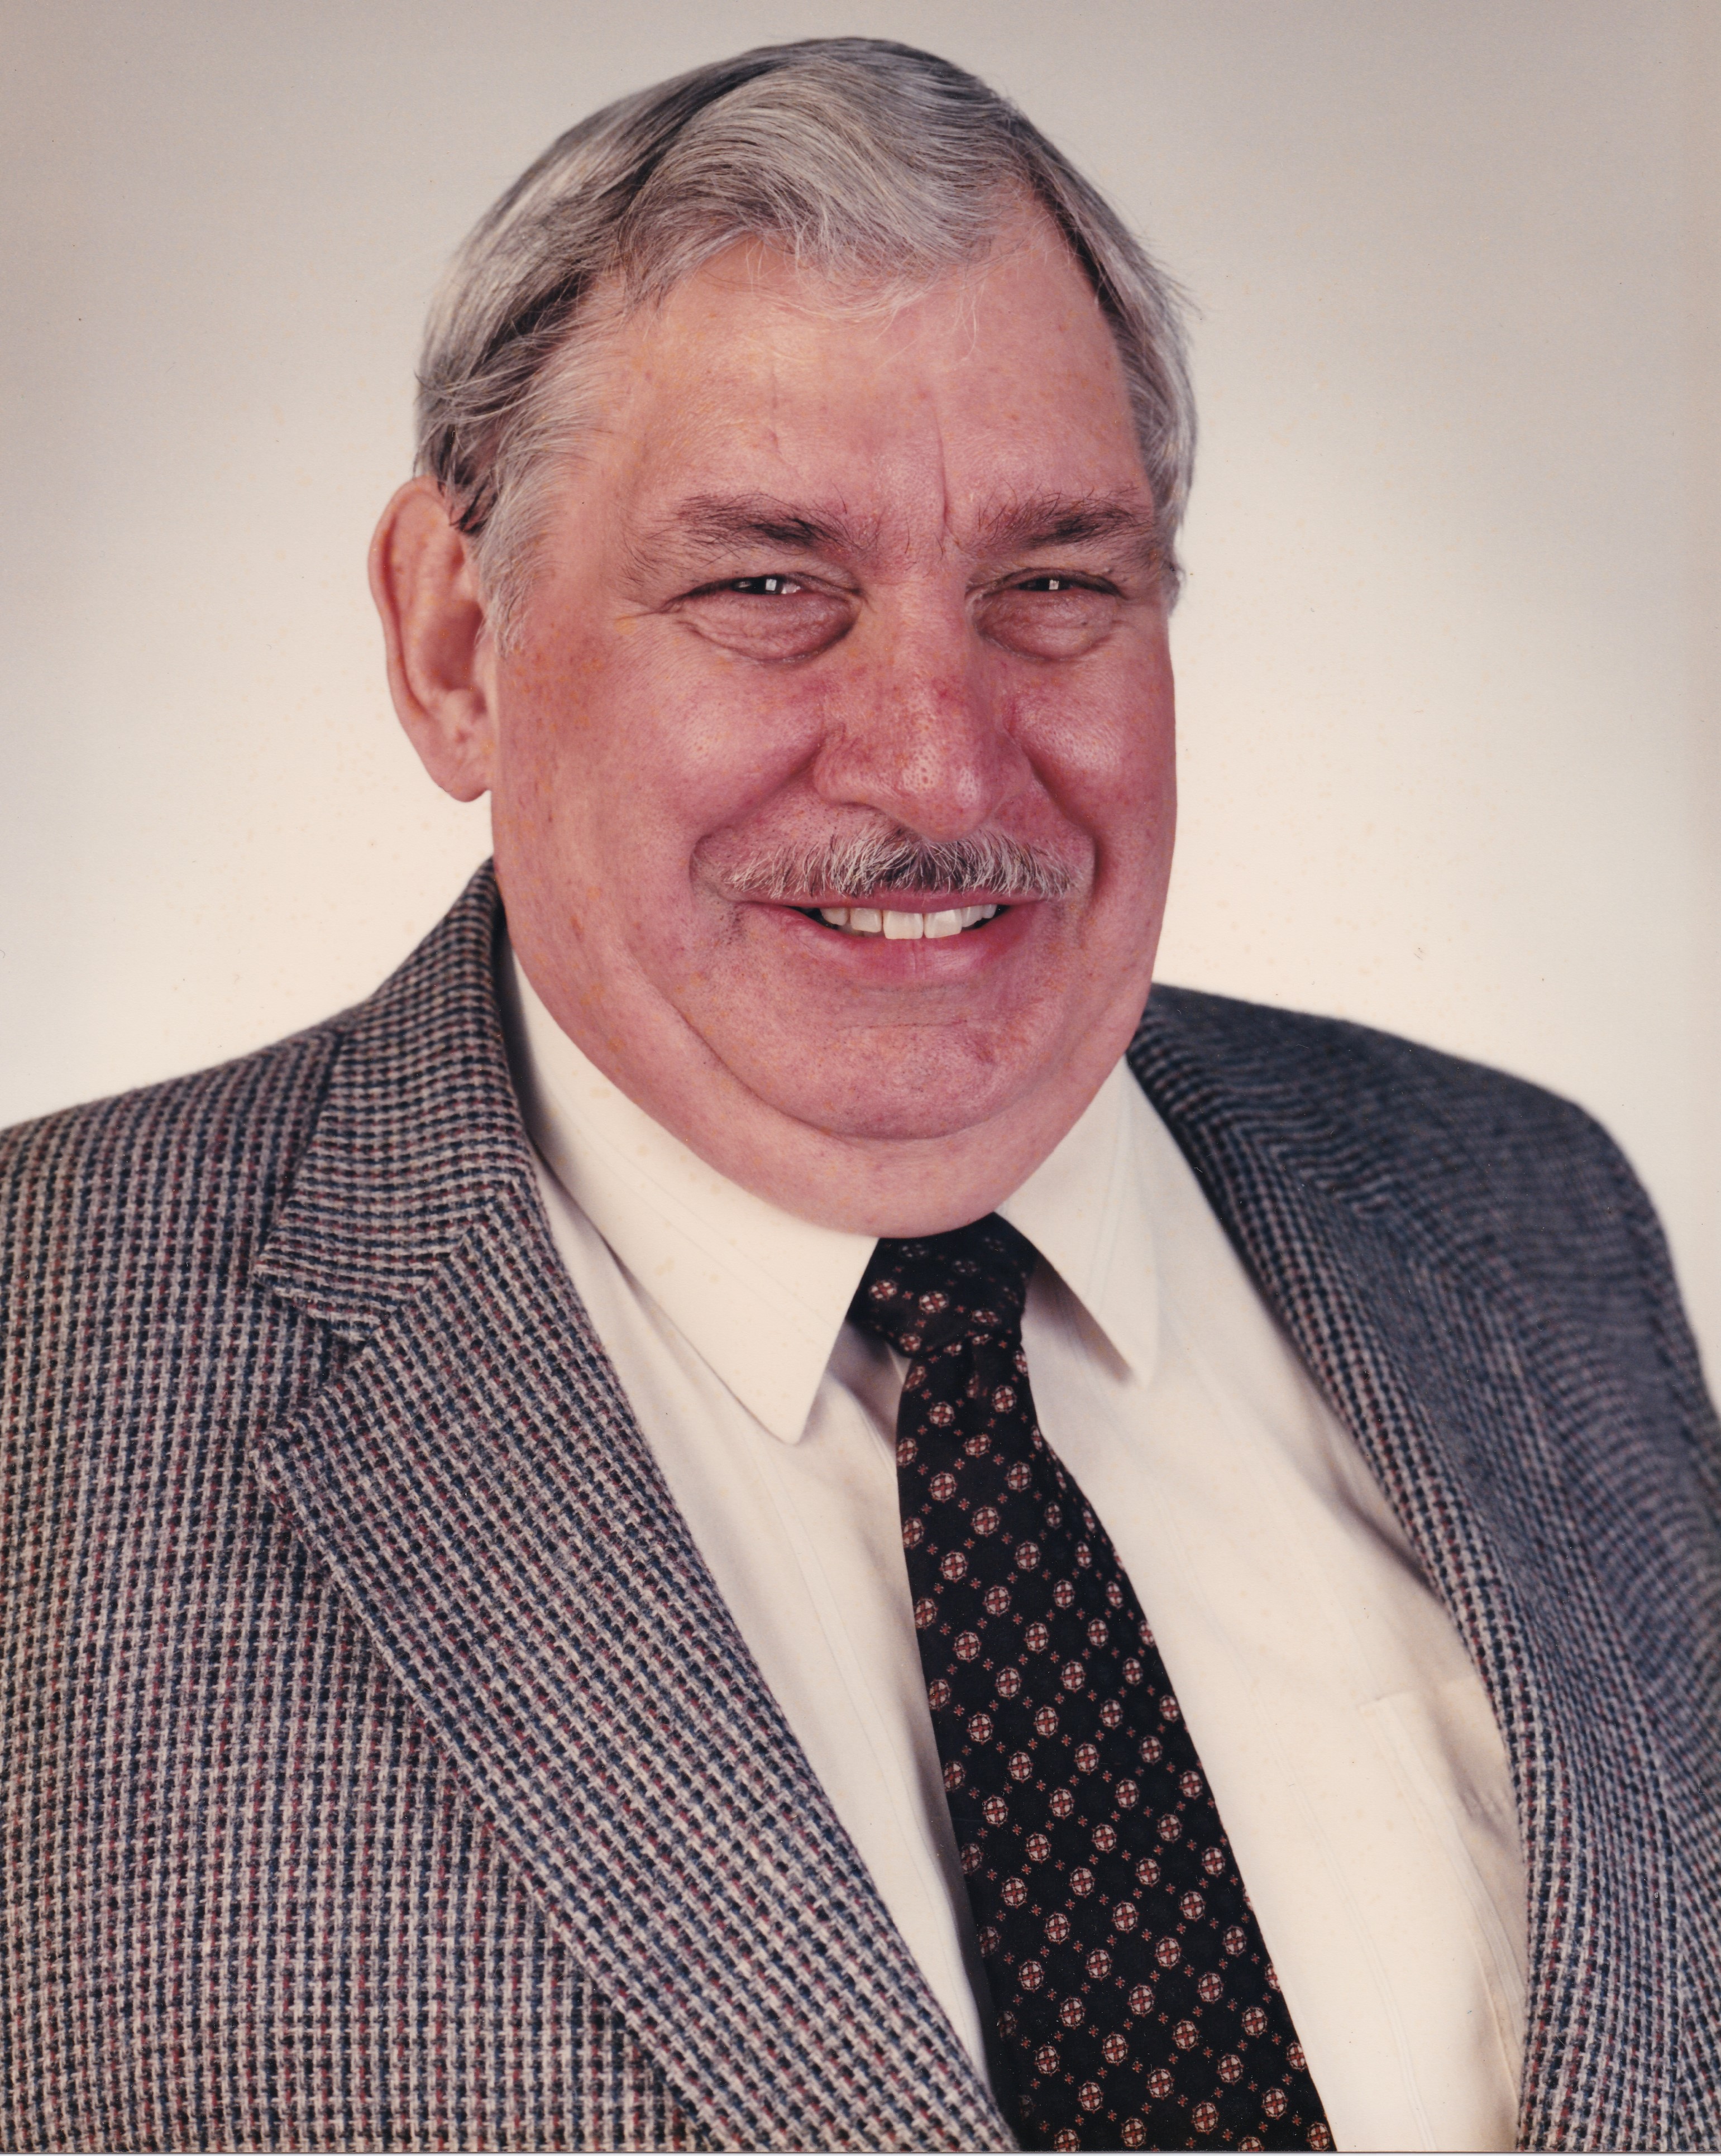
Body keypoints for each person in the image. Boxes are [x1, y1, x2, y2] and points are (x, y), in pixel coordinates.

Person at [2, 36, 1716, 2156]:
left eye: (1053, 582)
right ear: (456, 645)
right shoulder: (43, 1361)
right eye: (765, 583)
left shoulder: (1522, 1214)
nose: (936, 761)